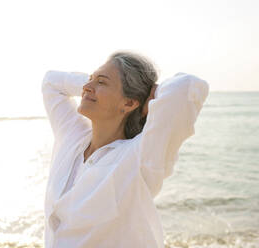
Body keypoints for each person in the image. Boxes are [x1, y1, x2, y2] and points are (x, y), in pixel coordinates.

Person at [41, 50, 209, 248]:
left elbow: (187, 86)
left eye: (101, 82)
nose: (87, 87)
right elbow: (51, 82)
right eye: (89, 79)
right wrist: (92, 86)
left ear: (129, 102)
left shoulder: (140, 156)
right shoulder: (72, 138)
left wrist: (147, 93)